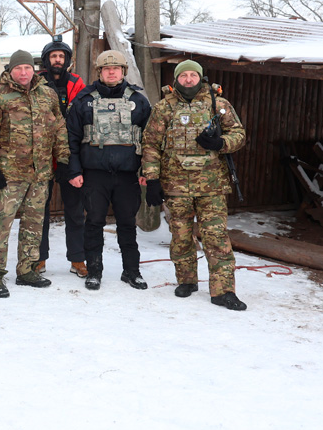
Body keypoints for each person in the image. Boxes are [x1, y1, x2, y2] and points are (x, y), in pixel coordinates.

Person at [141, 59, 249, 311]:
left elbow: (239, 134)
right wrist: (153, 180)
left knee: (216, 237)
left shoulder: (218, 104)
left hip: (211, 186)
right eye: (184, 75)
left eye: (193, 75)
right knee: (180, 237)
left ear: (201, 77)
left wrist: (219, 143)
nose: (188, 79)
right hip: (175, 186)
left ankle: (223, 291)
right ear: (176, 79)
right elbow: (151, 144)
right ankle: (186, 280)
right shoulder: (163, 107)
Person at [0, 49, 69, 298]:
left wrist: (63, 160)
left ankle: (27, 269)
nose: (24, 72)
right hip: (8, 175)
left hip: (40, 174)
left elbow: (59, 128)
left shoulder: (47, 94)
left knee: (33, 225)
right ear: (10, 71)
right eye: (19, 68)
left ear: (33, 69)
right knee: (0, 225)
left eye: (27, 68)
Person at [66, 50, 152, 291]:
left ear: (123, 71)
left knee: (127, 223)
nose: (111, 72)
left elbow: (151, 139)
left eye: (116, 68)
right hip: (94, 174)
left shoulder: (139, 101)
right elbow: (71, 139)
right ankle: (94, 271)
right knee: (93, 222)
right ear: (99, 72)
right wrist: (74, 171)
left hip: (127, 175)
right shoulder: (84, 100)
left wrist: (147, 170)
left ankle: (131, 272)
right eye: (106, 68)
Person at [36, 34, 87, 277]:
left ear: (67, 59)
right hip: (42, 154)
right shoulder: (36, 82)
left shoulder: (77, 82)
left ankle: (77, 259)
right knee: (39, 210)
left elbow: (80, 114)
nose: (57, 60)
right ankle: (38, 258)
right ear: (46, 60)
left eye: (61, 56)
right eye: (53, 56)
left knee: (75, 210)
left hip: (69, 154)